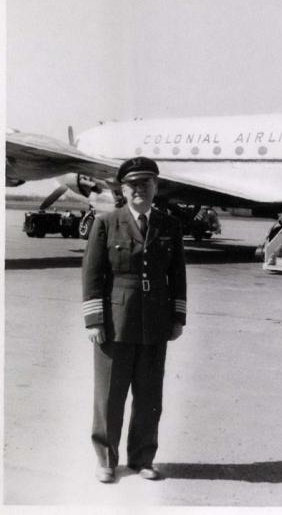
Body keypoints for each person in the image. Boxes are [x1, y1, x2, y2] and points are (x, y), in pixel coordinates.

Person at [82, 156, 187, 483]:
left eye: (146, 184)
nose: (139, 190)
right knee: (110, 396)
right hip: (116, 321)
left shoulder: (169, 226)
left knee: (149, 395)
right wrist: (95, 320)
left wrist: (178, 317)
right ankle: (106, 460)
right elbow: (92, 275)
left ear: (156, 187)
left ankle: (142, 458)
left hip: (155, 321)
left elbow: (177, 275)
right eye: (132, 185)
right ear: (122, 189)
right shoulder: (106, 223)